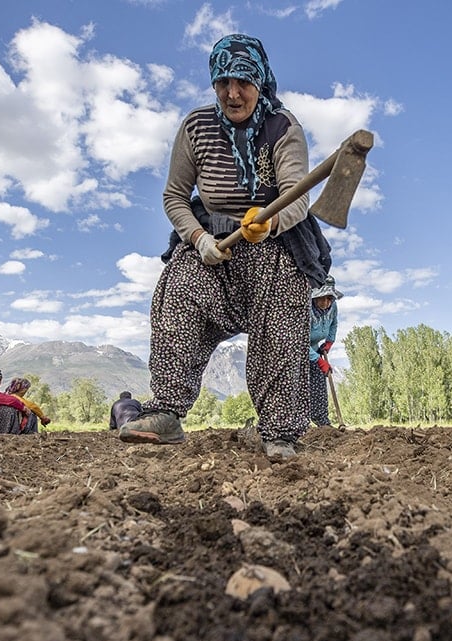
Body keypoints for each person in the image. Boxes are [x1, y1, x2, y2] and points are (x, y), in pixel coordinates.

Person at [118, 33, 331, 459]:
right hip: (213, 245)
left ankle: (280, 433)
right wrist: (198, 239)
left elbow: (297, 198)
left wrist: (268, 223)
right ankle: (166, 412)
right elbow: (174, 196)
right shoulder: (196, 127)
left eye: (243, 82)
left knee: (281, 323)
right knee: (177, 289)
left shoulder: (283, 127)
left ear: (260, 81)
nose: (233, 93)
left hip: (274, 246)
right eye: (223, 82)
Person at [307, 276, 342, 426]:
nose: (327, 302)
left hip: (314, 348)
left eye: (330, 298)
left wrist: (329, 342)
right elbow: (300, 340)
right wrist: (319, 361)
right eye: (323, 297)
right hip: (296, 350)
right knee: (299, 386)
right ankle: (300, 423)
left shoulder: (332, 307)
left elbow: (334, 324)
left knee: (319, 384)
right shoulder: (305, 309)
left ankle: (322, 422)